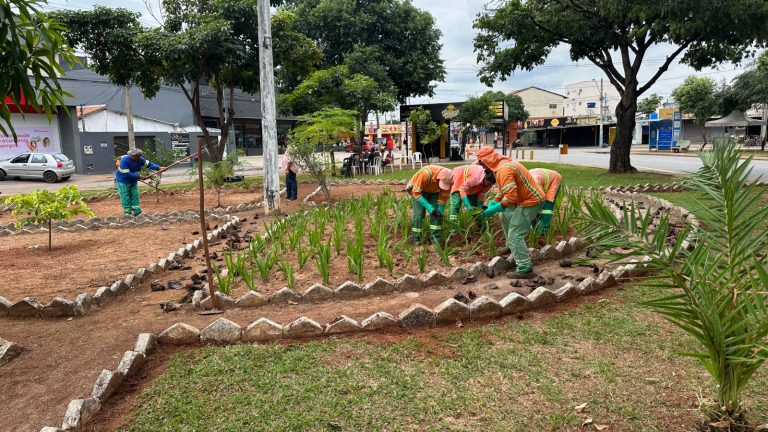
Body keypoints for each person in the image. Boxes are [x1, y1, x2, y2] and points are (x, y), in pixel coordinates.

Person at [475, 146, 544, 278]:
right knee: (504, 214)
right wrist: (494, 202)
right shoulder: (502, 165)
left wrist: (492, 211)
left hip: (530, 202)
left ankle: (525, 269)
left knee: (515, 234)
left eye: (482, 163)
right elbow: (504, 191)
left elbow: (511, 198)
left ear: (487, 161)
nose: (483, 167)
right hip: (525, 199)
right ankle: (510, 246)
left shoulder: (504, 170)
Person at [408, 165, 453, 244]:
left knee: (437, 215)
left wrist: (440, 209)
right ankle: (416, 239)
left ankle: (436, 240)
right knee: (419, 214)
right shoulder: (425, 174)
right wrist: (429, 207)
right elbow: (416, 193)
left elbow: (443, 196)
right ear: (438, 179)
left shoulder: (449, 180)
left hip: (435, 192)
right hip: (419, 190)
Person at [115, 148, 164, 216]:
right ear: (131, 155)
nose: (137, 157)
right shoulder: (124, 160)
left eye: (138, 156)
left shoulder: (140, 159)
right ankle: (127, 212)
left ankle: (137, 211)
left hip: (133, 180)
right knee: (125, 196)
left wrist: (159, 168)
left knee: (135, 194)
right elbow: (127, 174)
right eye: (135, 156)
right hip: (123, 180)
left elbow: (149, 164)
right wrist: (139, 176)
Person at [529, 168, 563, 235]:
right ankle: (534, 226)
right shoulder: (522, 182)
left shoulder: (534, 183)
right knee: (533, 206)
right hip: (542, 179)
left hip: (554, 179)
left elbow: (540, 198)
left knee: (547, 206)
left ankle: (544, 230)